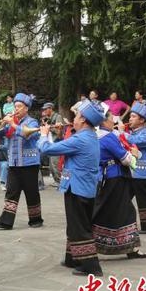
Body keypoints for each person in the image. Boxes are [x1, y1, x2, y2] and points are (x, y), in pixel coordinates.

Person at [38, 100, 105, 276]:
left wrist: (44, 134)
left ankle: (91, 267)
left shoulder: (80, 139)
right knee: (75, 225)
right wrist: (59, 134)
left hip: (78, 188)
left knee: (80, 228)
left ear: (83, 120)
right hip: (83, 187)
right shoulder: (89, 136)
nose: (73, 119)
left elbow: (47, 149)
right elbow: (66, 146)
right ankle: (73, 258)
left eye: (76, 116)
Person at [93, 108, 146, 261]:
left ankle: (127, 247)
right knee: (124, 211)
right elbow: (125, 158)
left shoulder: (96, 136)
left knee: (108, 210)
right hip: (115, 178)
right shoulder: (108, 137)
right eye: (112, 118)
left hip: (106, 178)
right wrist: (135, 157)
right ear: (104, 121)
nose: (115, 121)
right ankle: (129, 248)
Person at [0, 93, 43, 230]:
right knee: (11, 191)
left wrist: (13, 124)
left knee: (31, 192)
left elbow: (29, 135)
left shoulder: (32, 122)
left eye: (19, 106)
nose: (17, 109)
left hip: (29, 163)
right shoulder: (11, 121)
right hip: (14, 162)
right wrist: (1, 125)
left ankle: (35, 219)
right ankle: (6, 221)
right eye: (15, 106)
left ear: (26, 108)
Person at [121, 102, 146, 234]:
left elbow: (133, 141)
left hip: (142, 173)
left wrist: (121, 133)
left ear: (142, 120)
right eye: (130, 116)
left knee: (145, 200)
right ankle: (122, 224)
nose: (129, 119)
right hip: (131, 172)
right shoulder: (132, 133)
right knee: (123, 199)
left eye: (133, 116)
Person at [40, 102, 64, 186]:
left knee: (55, 164)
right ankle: (56, 181)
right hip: (48, 142)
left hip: (56, 142)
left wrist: (49, 127)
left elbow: (59, 131)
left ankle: (60, 182)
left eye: (46, 109)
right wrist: (44, 124)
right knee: (51, 164)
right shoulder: (46, 118)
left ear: (50, 108)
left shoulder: (58, 117)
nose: (44, 111)